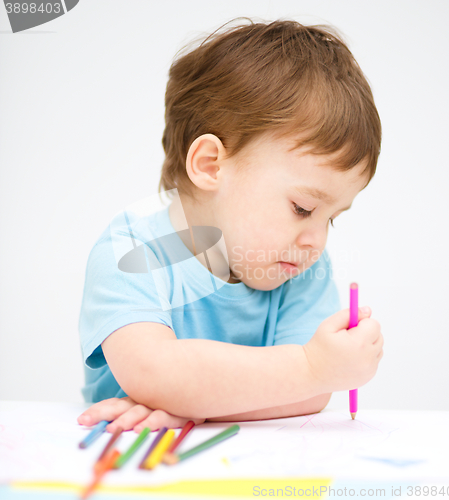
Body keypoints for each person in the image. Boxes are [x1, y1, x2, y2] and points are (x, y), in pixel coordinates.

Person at [77, 18, 384, 434]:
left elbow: (311, 393)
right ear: (210, 165)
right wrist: (313, 366)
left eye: (331, 218)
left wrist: (190, 408)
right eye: (301, 207)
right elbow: (154, 372)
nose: (316, 240)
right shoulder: (130, 252)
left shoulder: (301, 268)